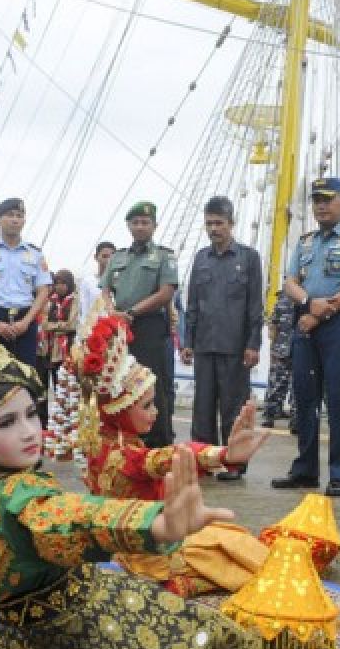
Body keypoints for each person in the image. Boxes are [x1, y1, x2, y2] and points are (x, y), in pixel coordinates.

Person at [0, 314, 270, 649]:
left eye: (31, 413)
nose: (31, 432)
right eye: (6, 423)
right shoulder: (21, 496)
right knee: (218, 645)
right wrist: (157, 525)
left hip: (15, 637)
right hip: (65, 632)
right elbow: (76, 518)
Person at [72, 309, 270, 597]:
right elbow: (174, 455)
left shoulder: (98, 441)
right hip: (145, 557)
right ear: (119, 408)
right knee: (239, 555)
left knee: (229, 539)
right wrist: (225, 455)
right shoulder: (127, 457)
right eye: (147, 406)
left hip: (117, 545)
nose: (155, 412)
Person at [270, 177, 340, 498]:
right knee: (304, 399)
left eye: (328, 199)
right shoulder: (305, 242)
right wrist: (306, 304)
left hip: (339, 326)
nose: (321, 205)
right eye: (316, 200)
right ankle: (305, 469)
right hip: (305, 325)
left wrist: (320, 312)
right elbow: (289, 281)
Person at [181, 196, 264, 480]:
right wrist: (187, 341)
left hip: (235, 346)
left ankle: (234, 463)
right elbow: (192, 304)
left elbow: (255, 306)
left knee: (233, 408)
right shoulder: (201, 258)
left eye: (219, 223)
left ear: (231, 223)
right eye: (209, 223)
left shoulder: (249, 258)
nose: (213, 228)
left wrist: (254, 344)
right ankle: (203, 459)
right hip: (204, 344)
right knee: (202, 408)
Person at [103, 202, 179, 447]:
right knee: (122, 383)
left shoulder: (164, 256)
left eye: (145, 222)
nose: (140, 227)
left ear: (154, 226)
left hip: (149, 326)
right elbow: (105, 289)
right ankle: (129, 440)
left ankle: (159, 443)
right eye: (135, 222)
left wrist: (133, 312)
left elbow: (166, 291)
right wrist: (112, 311)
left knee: (152, 385)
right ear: (128, 226)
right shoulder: (118, 257)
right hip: (119, 328)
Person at [0, 197, 51, 368]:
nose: (15, 220)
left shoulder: (35, 254)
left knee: (26, 375)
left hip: (25, 320)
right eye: (10, 215)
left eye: (19, 216)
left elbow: (43, 291)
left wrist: (26, 322)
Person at [37, 268, 78, 423]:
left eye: (63, 283)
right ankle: (44, 424)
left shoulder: (74, 300)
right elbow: (44, 323)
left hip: (64, 351)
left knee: (62, 388)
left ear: (70, 284)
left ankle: (65, 423)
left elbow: (71, 324)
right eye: (57, 283)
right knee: (43, 388)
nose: (59, 286)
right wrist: (58, 326)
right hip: (47, 350)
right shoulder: (51, 301)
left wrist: (53, 326)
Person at [261, 290, 294, 428]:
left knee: (276, 383)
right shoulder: (306, 297)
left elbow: (272, 328)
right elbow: (273, 327)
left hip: (282, 348)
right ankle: (295, 420)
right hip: (296, 348)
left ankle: (270, 415)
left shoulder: (281, 302)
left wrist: (273, 348)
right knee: (295, 386)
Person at [76, 240, 115, 331]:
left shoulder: (120, 281)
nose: (108, 260)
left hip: (115, 329)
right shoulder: (88, 281)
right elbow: (84, 309)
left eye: (112, 257)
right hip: (93, 330)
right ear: (96, 257)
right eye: (104, 256)